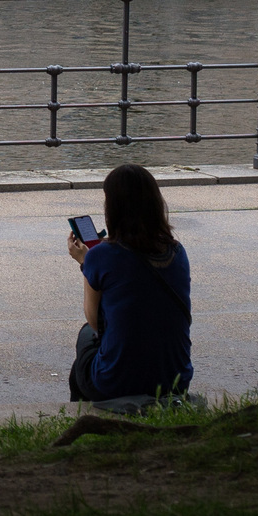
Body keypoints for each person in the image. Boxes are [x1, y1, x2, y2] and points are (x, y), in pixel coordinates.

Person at [67, 164, 193, 403]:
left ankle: (84, 413)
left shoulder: (100, 256)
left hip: (116, 382)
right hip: (175, 380)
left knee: (85, 338)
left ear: (112, 208)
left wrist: (86, 263)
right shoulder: (177, 251)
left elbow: (95, 321)